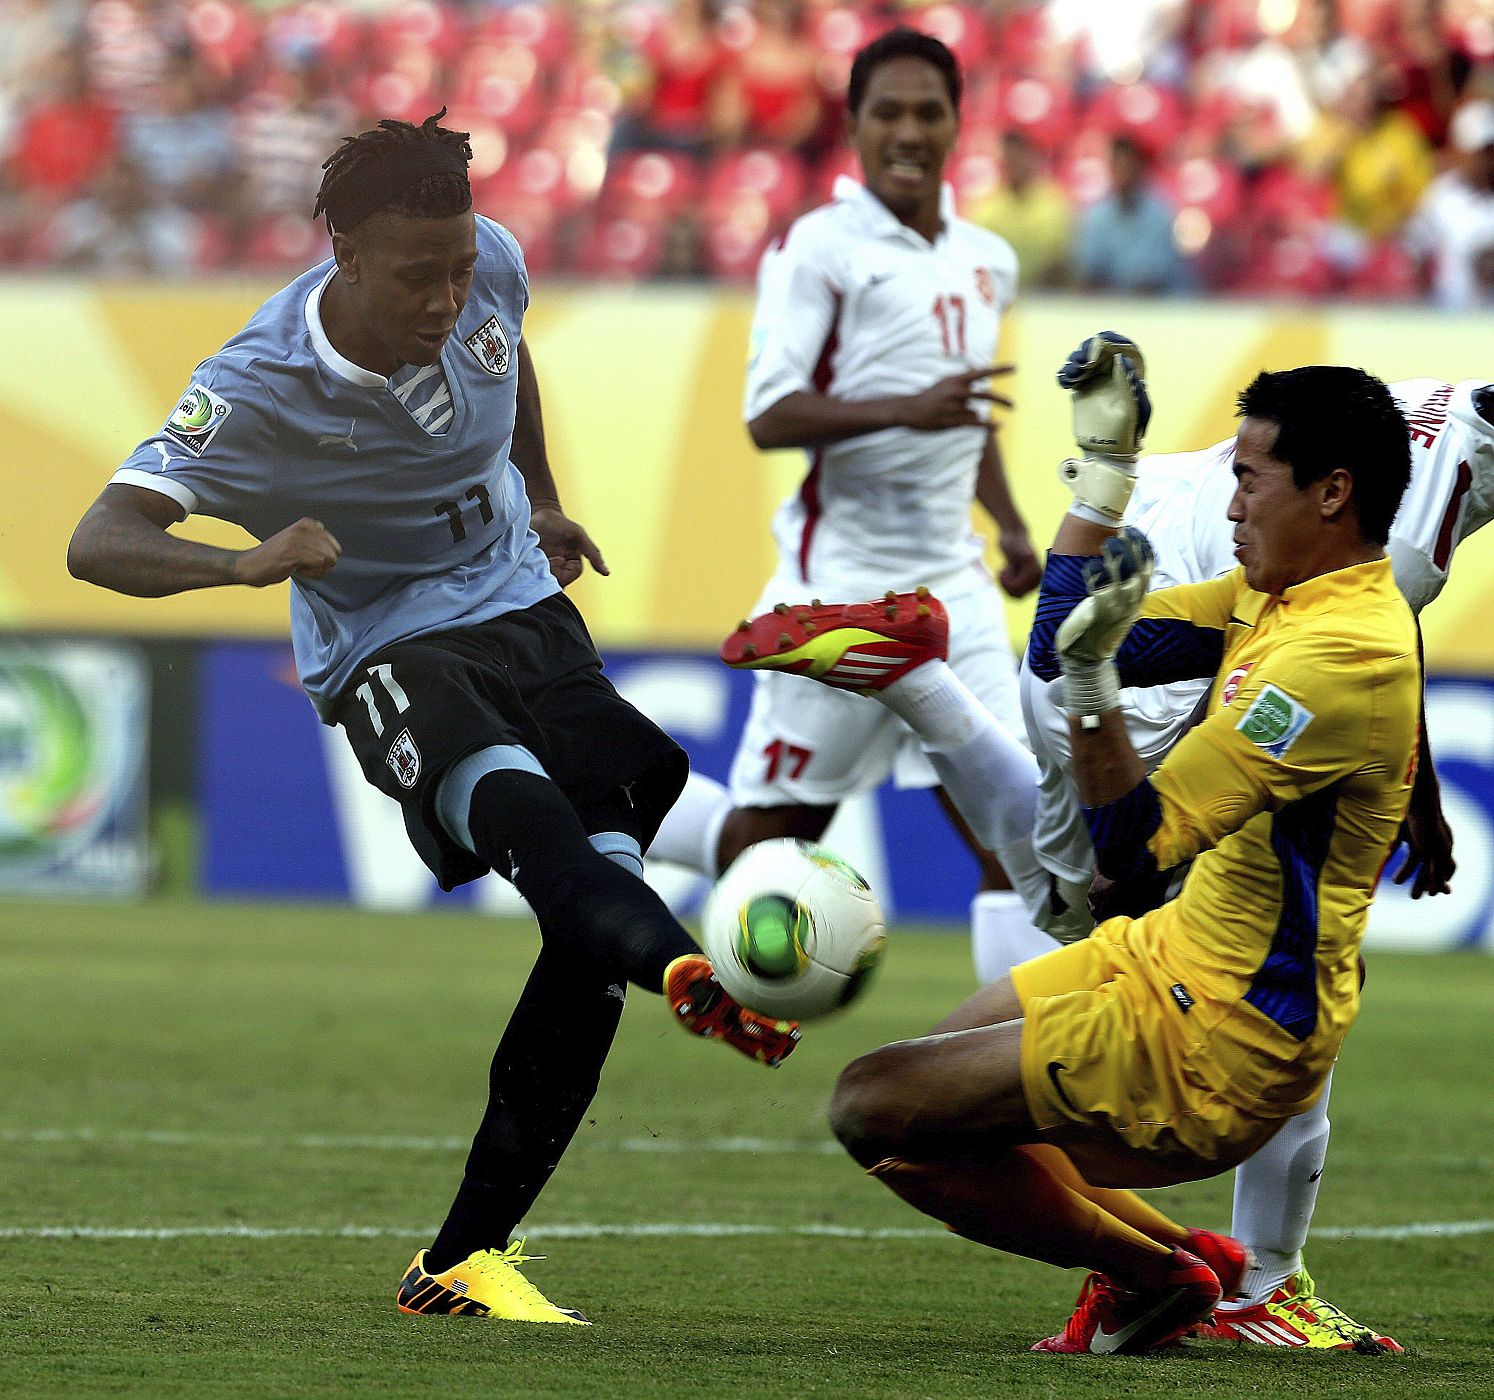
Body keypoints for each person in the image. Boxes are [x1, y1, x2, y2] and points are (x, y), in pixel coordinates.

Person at [66, 110, 798, 1325]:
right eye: (419, 274)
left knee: (589, 916)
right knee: (525, 813)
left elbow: (512, 359)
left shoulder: (487, 262)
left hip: (525, 605)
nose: (449, 297)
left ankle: (464, 1254)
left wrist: (547, 500)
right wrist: (240, 569)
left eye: (460, 267)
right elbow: (102, 539)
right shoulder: (256, 385)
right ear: (345, 254)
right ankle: (680, 957)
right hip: (389, 641)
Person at [724, 341, 1421, 1354]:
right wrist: (1105, 475)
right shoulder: (1275, 598)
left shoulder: (1336, 655)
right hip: (1166, 958)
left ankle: (1162, 1273)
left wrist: (1094, 685)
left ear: (1331, 493)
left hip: (1225, 1040)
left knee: (874, 1107)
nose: (1229, 508)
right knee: (929, 1085)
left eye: (1246, 481)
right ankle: (1190, 1272)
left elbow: (1131, 848)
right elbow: (1057, 640)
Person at [647, 28, 1047, 965]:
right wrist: (909, 408)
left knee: (1024, 845)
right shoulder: (817, 251)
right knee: (763, 848)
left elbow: (967, 413)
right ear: (855, 125)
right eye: (888, 112)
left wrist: (1013, 522)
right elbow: (769, 416)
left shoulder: (989, 258)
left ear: (957, 123)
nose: (909, 131)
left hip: (955, 588)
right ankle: (589, 804)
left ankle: (1019, 1073)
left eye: (928, 112)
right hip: (840, 593)